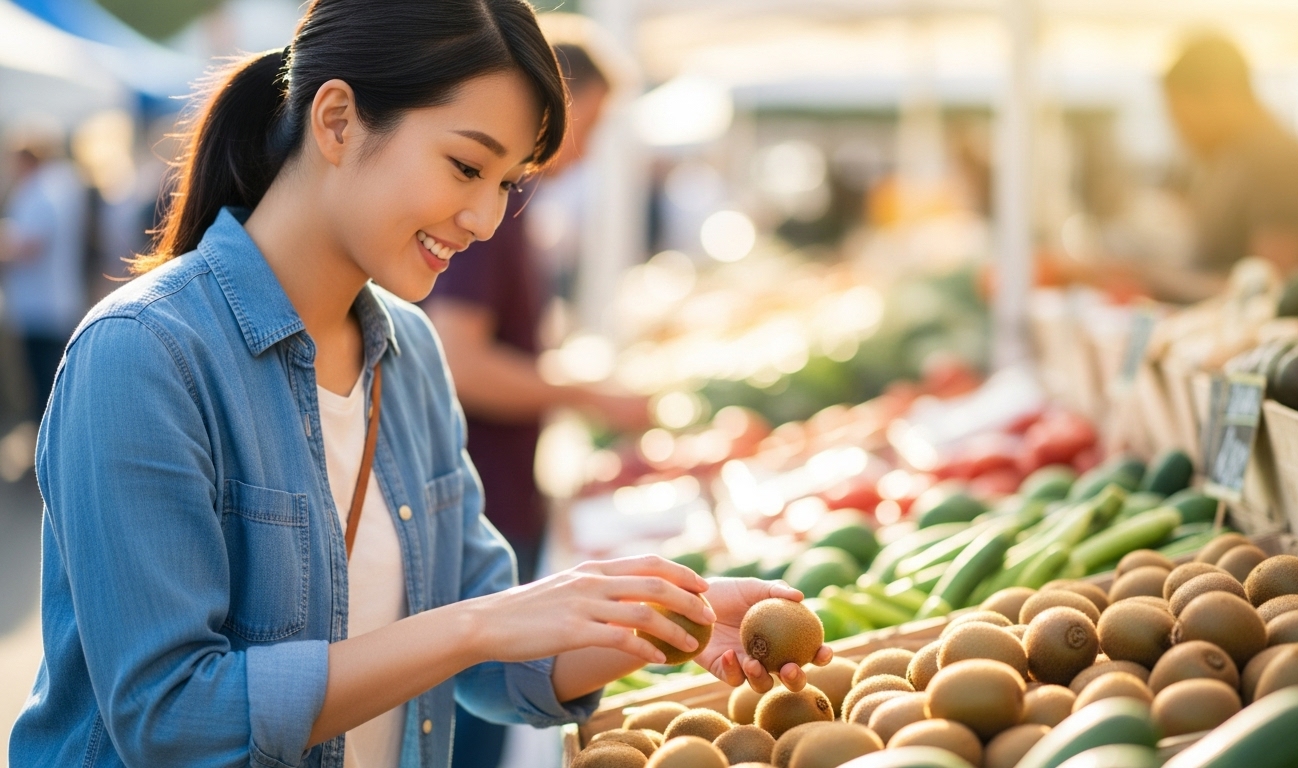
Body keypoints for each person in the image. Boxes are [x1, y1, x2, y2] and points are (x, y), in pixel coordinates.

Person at [7, 2, 828, 767]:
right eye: (467, 166)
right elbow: (171, 718)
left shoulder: (411, 354)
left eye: (508, 183)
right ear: (336, 121)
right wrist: (476, 627)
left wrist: (658, 620)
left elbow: (499, 663)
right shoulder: (144, 355)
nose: (485, 218)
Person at [424, 38, 650, 768]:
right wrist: (583, 392)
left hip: (493, 494)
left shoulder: (511, 209)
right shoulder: (496, 213)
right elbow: (460, 359)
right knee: (473, 723)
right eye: (593, 116)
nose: (592, 137)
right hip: (481, 493)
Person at [1064, 35, 1298, 303]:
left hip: (1261, 342)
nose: (1180, 131)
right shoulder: (1227, 158)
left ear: (1221, 94)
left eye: (1182, 114)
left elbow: (1273, 291)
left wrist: (1150, 277)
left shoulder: (1278, 162)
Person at [0, 123, 88, 419]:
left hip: (42, 305)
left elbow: (32, 246)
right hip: (46, 302)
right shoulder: (56, 187)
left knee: (45, 385)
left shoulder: (41, 193)